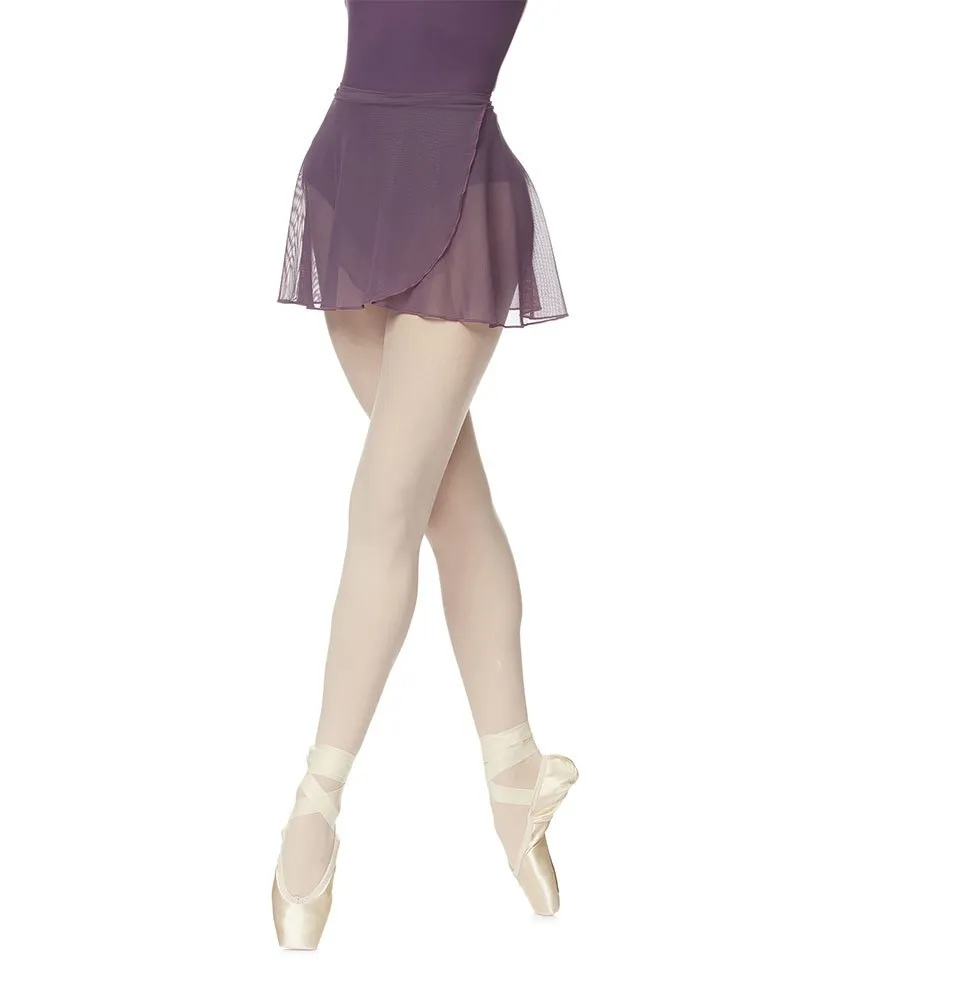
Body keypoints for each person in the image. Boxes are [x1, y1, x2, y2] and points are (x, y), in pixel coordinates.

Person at [271, 0, 577, 950]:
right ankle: (515, 772)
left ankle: (315, 802)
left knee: (385, 505)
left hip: (459, 192)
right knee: (450, 504)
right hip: (351, 179)